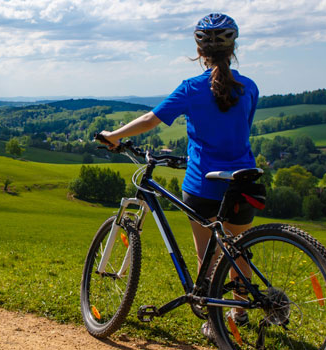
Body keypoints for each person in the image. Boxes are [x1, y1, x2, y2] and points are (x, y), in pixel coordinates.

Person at [96, 12, 258, 340]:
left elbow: (150, 119)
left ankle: (213, 323)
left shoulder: (191, 89)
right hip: (243, 179)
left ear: (200, 52)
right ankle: (239, 312)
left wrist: (114, 134)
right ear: (234, 48)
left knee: (207, 255)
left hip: (204, 184)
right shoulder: (250, 88)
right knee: (237, 250)